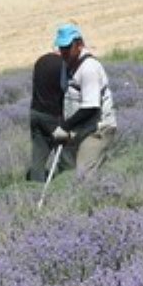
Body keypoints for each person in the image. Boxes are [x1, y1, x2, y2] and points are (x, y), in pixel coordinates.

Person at [51, 23, 117, 180]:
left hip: (98, 129)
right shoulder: (66, 66)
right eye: (61, 48)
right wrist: (61, 123)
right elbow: (64, 95)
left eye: (67, 47)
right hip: (79, 128)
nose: (63, 52)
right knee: (66, 170)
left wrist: (65, 127)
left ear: (79, 45)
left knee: (84, 174)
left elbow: (91, 107)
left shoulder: (89, 68)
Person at [27, 46, 69, 181]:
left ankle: (34, 185)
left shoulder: (41, 61)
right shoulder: (62, 64)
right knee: (66, 153)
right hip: (54, 116)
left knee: (38, 156)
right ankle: (66, 183)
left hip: (36, 113)